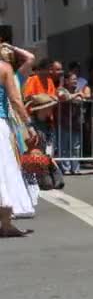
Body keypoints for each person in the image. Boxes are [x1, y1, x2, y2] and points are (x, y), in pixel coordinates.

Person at [0, 58, 38, 237]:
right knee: (4, 172)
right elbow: (15, 99)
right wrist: (28, 124)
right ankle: (6, 224)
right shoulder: (4, 67)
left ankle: (6, 224)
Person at [58, 72, 87, 175]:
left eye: (76, 79)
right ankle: (65, 168)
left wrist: (74, 96)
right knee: (64, 147)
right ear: (66, 81)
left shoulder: (78, 90)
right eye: (73, 79)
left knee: (76, 147)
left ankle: (75, 168)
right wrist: (75, 96)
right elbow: (63, 97)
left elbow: (80, 99)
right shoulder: (61, 89)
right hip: (64, 122)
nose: (75, 81)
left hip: (76, 123)